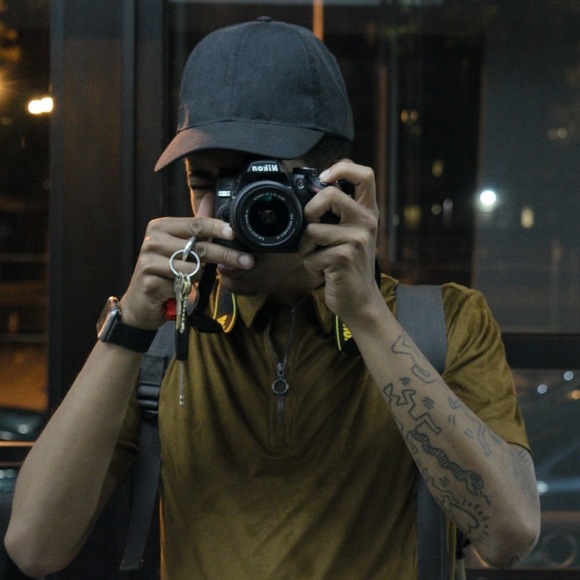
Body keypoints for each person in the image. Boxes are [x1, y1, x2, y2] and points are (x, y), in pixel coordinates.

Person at [5, 18, 540, 579]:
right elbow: (35, 547)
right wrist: (131, 326)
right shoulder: (165, 337)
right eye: (204, 183)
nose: (220, 213)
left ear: (334, 185)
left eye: (253, 185)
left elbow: (508, 538)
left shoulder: (445, 322)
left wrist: (366, 314)